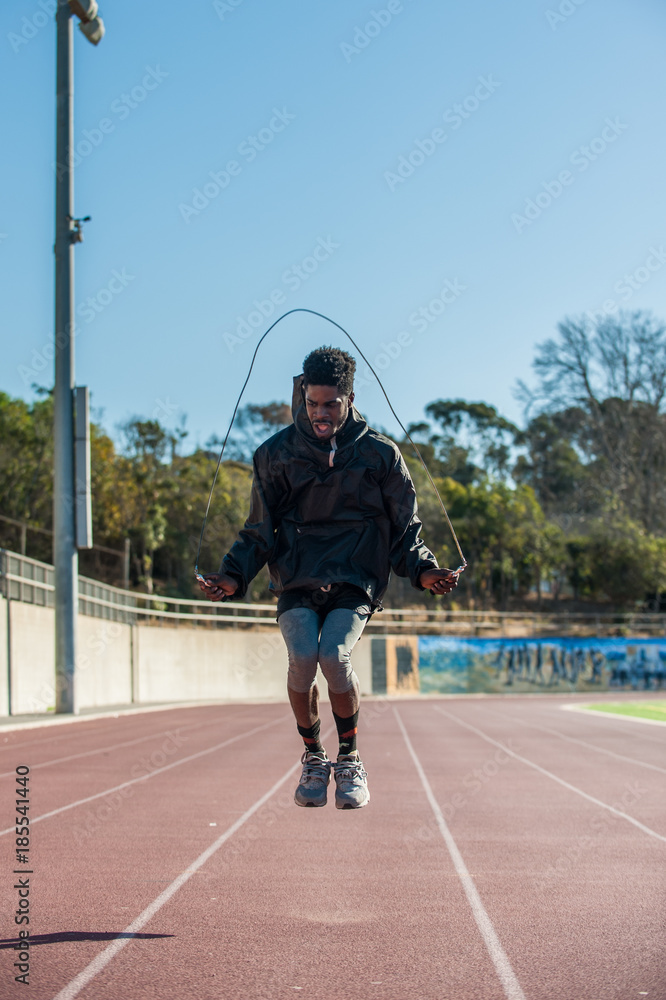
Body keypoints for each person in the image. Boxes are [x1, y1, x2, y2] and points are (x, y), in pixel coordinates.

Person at [199, 346, 459, 809]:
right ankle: (315, 758)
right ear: (302, 395)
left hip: (355, 578)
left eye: (331, 405)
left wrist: (424, 572)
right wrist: (233, 577)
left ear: (350, 398)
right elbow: (258, 530)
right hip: (297, 576)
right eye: (312, 403)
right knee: (302, 656)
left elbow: (405, 531)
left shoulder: (380, 456)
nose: (320, 414)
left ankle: (351, 759)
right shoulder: (274, 454)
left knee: (333, 655)